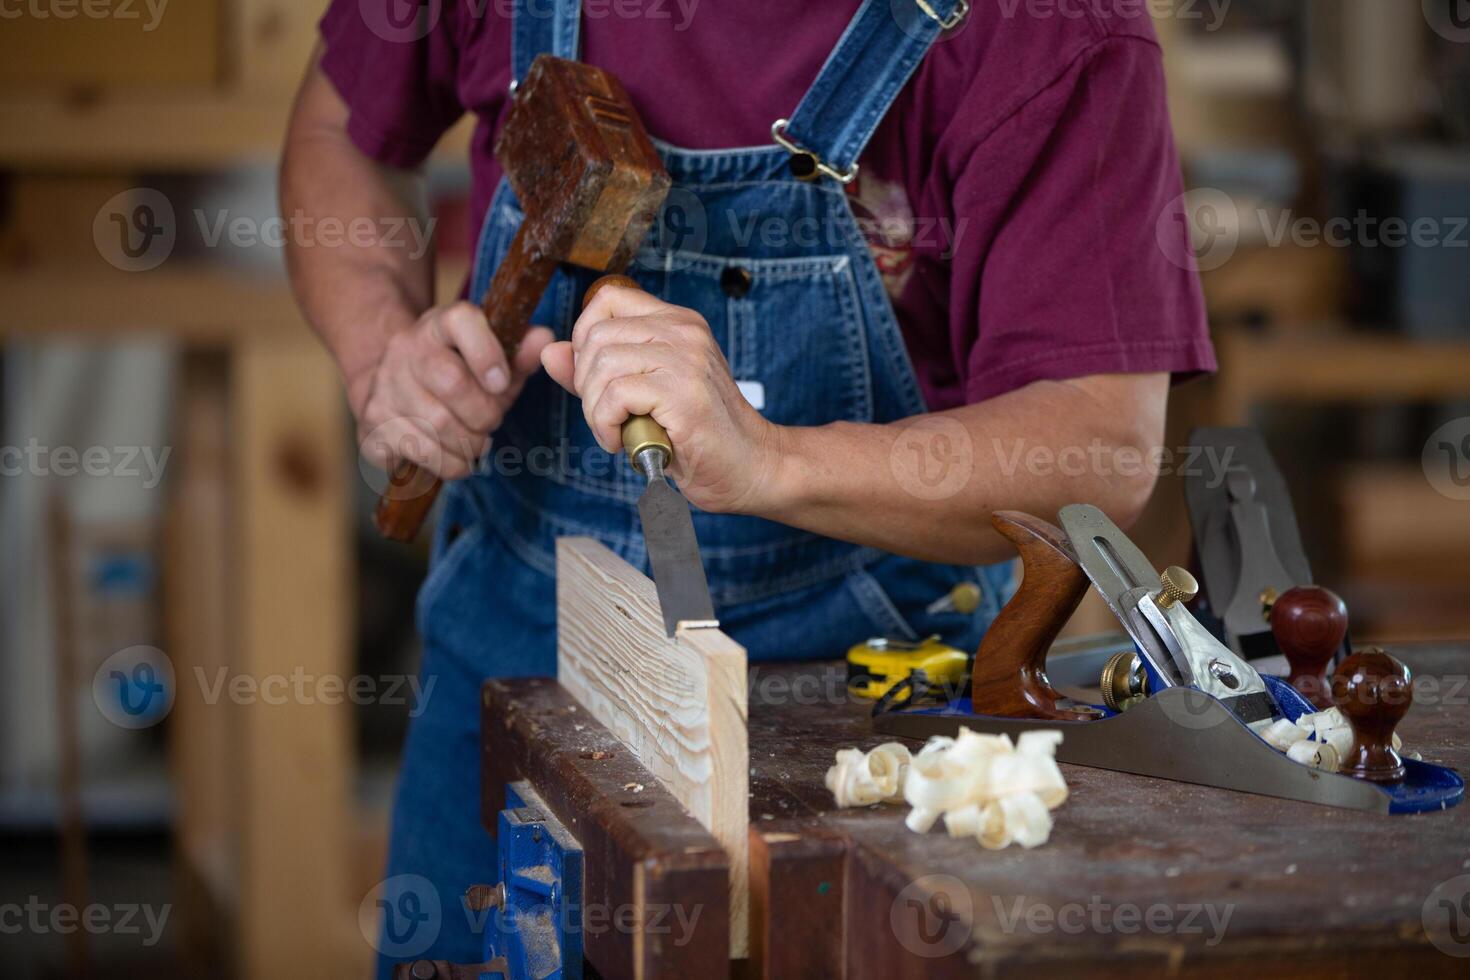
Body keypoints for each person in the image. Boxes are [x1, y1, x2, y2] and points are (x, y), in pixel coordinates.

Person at [281, 0, 1214, 971]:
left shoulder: (1047, 26)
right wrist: (381, 350)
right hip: (505, 681)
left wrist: (771, 459)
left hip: (873, 721)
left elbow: (1099, 443)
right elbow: (337, 131)